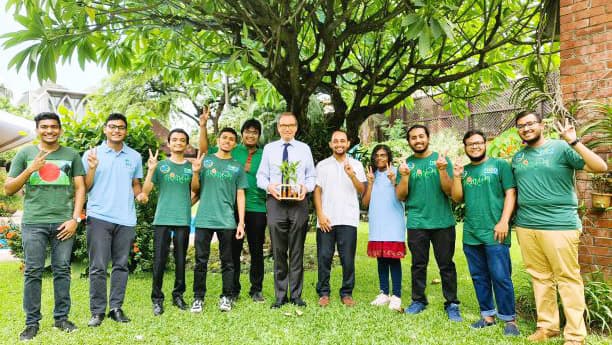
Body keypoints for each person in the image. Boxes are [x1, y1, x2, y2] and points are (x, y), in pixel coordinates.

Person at [512, 111, 607, 345]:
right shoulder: (518, 157)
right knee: (540, 277)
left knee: (567, 278)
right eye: (521, 125)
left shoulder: (561, 148)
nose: (526, 128)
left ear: (541, 125)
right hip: (527, 225)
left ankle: (575, 335)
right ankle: (547, 326)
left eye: (530, 123)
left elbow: (600, 167)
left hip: (559, 224)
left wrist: (573, 141)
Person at [5, 112, 86, 341]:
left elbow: (80, 188)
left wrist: (75, 219)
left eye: (53, 127)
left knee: (62, 270)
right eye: (44, 127)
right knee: (33, 271)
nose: (49, 130)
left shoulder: (71, 155)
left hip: (64, 222)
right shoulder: (25, 153)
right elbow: (9, 189)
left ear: (60, 130)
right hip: (34, 222)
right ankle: (31, 323)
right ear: (37, 129)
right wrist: (31, 169)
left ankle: (61, 318)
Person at [451, 129, 519, 336]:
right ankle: (488, 316)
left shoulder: (499, 165)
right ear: (465, 147)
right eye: (470, 144)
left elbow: (511, 192)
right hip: (472, 232)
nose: (475, 146)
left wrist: (504, 221)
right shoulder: (466, 171)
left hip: (496, 231)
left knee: (501, 276)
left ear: (485, 143)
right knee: (479, 276)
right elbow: (457, 198)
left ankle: (509, 320)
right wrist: (456, 177)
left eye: (478, 143)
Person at [396, 124, 462, 321]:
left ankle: (451, 303)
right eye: (413, 138)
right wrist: (405, 176)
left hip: (442, 222)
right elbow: (400, 195)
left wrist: (442, 170)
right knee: (418, 264)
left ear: (428, 138)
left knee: (446, 265)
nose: (418, 140)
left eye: (421, 136)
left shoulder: (441, 160)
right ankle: (418, 300)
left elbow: (450, 191)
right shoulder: (406, 164)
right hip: (417, 223)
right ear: (409, 142)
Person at [82, 113, 143, 327]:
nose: (117, 130)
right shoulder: (92, 154)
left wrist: (140, 194)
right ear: (105, 129)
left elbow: (135, 183)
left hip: (126, 218)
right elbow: (85, 186)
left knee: (121, 265)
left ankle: (116, 308)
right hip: (99, 216)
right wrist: (92, 167)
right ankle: (97, 311)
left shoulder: (134, 156)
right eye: (112, 126)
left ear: (126, 131)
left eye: (121, 127)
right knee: (98, 266)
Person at [200, 117, 268, 303]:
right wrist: (203, 126)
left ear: (259, 135)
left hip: (257, 208)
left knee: (256, 250)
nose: (251, 135)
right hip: (232, 209)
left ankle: (256, 289)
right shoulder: (232, 150)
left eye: (255, 132)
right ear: (242, 135)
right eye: (247, 131)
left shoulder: (265, 154)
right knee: (233, 251)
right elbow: (205, 151)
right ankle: (234, 289)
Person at [256, 112, 316, 308]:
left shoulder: (304, 149)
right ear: (278, 128)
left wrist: (305, 189)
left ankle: (296, 295)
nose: (287, 128)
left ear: (296, 127)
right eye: (283, 125)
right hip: (276, 203)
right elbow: (261, 177)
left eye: (291, 125)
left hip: (298, 202)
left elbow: (311, 178)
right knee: (279, 250)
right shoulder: (269, 149)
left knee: (297, 250)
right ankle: (281, 295)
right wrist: (270, 187)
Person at [137, 128, 194, 315]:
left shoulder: (191, 167)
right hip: (162, 219)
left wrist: (186, 204)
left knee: (179, 260)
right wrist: (151, 170)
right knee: (159, 260)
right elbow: (145, 192)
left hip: (182, 220)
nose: (178, 142)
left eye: (182, 140)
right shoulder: (160, 166)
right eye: (175, 139)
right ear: (169, 143)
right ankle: (157, 298)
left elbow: (197, 190)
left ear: (187, 145)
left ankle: (178, 295)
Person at [191, 127, 247, 312]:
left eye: (231, 139)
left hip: (227, 221)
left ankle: (227, 297)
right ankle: (198, 298)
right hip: (204, 219)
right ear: (218, 140)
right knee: (201, 261)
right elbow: (196, 188)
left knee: (228, 262)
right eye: (224, 138)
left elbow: (240, 195)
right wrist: (197, 172)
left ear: (235, 144)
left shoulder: (237, 167)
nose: (227, 141)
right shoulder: (205, 162)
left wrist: (241, 222)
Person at [313, 130, 366, 307]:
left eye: (342, 141)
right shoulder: (322, 165)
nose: (339, 144)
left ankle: (346, 292)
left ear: (348, 143)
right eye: (335, 141)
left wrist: (351, 175)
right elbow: (317, 190)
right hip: (327, 219)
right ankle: (324, 292)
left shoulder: (356, 165)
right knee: (324, 257)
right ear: (330, 144)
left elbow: (362, 190)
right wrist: (320, 214)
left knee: (347, 259)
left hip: (348, 218)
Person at [361, 144, 406, 312]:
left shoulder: (397, 172)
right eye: (377, 155)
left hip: (393, 222)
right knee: (381, 259)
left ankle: (396, 295)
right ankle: (384, 293)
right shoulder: (371, 176)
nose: (380, 158)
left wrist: (394, 180)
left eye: (383, 155)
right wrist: (370, 183)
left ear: (389, 157)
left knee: (393, 259)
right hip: (377, 223)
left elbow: (403, 195)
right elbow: (365, 203)